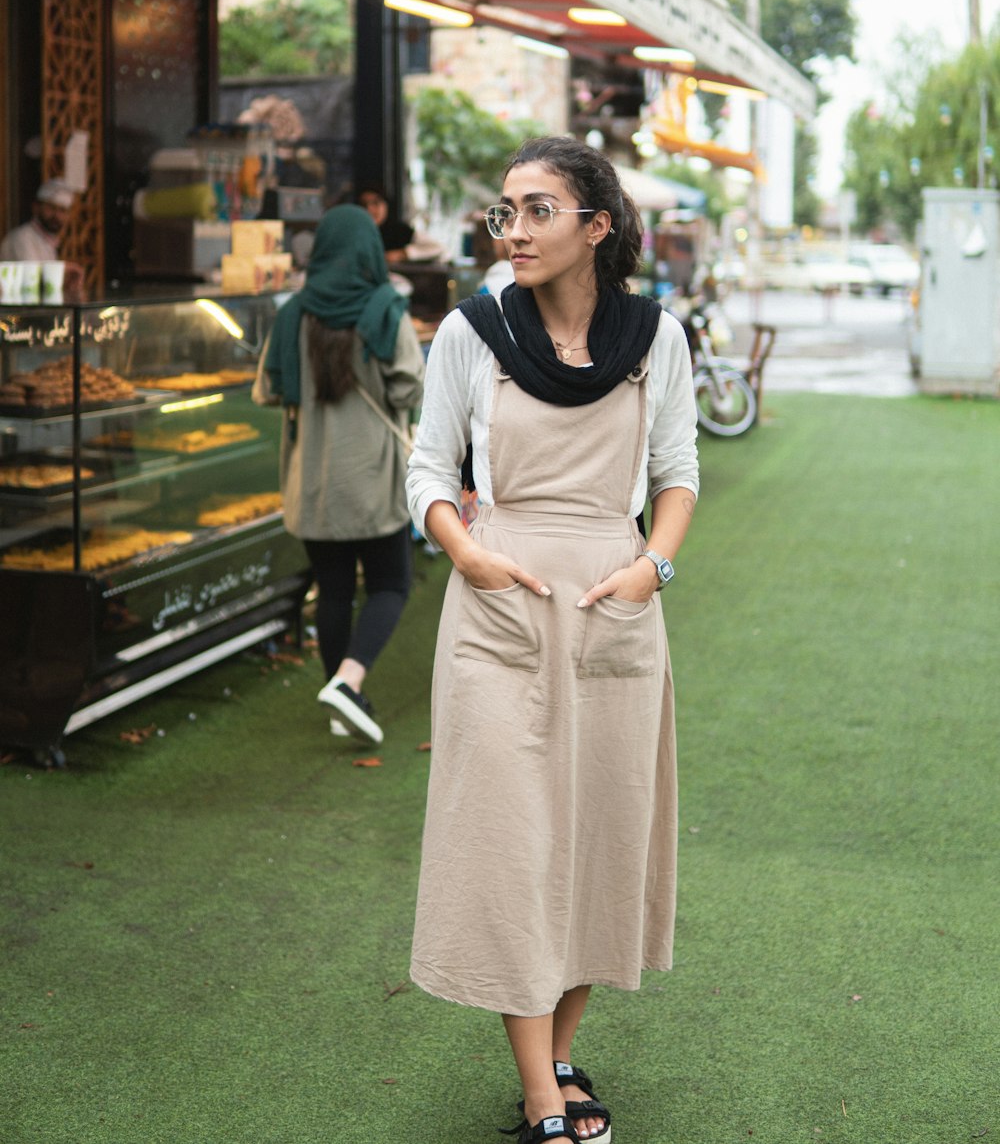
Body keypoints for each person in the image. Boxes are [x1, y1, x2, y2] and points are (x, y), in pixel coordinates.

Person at [405, 137, 699, 1144]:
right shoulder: (471, 332)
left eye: (537, 209)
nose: (515, 229)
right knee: (509, 841)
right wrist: (469, 555)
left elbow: (677, 473)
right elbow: (428, 470)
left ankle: (563, 1049)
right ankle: (540, 1091)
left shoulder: (655, 339)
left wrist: (649, 568)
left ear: (596, 225)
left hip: (613, 607)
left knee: (600, 836)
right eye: (505, 211)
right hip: (498, 607)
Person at [253, 205, 424, 744]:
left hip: (314, 483)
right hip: (374, 480)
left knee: (331, 591)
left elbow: (267, 389)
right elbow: (410, 390)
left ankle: (336, 699)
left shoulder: (293, 313)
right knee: (390, 585)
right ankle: (349, 684)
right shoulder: (385, 311)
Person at [1, 176, 76, 262]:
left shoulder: (49, 241)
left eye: (62, 210)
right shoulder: (22, 238)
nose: (56, 215)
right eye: (51, 208)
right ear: (36, 208)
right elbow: (32, 274)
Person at [356, 184, 415, 263]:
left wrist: (402, 254)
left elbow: (435, 247)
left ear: (386, 205)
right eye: (364, 205)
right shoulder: (353, 233)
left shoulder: (401, 231)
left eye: (375, 203)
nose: (369, 209)